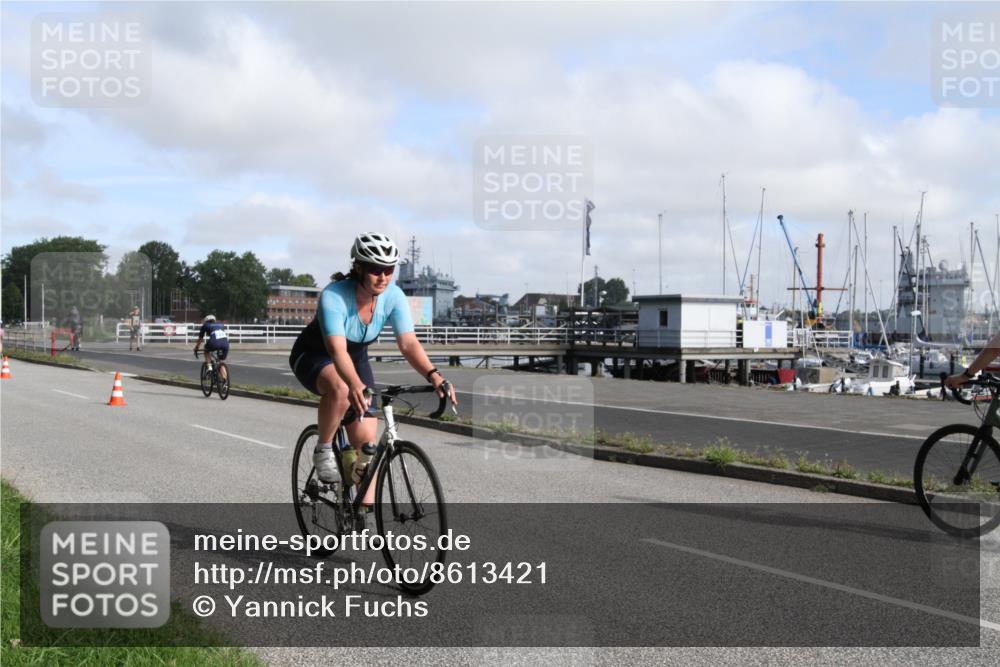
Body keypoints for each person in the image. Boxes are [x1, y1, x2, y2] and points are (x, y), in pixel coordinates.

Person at [289, 232, 457, 503]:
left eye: (389, 269)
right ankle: (323, 449)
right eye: (375, 269)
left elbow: (408, 344)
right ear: (358, 268)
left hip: (355, 359)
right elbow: (336, 350)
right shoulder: (335, 295)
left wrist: (434, 374)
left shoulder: (394, 295)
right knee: (342, 389)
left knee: (367, 446)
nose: (383, 276)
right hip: (315, 354)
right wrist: (355, 384)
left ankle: (360, 510)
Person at [194, 315, 230, 382]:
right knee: (221, 361)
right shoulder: (220, 324)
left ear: (206, 321)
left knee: (206, 351)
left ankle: (210, 368)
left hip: (214, 342)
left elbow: (200, 339)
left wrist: (196, 348)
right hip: (225, 344)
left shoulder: (205, 325)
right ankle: (225, 380)